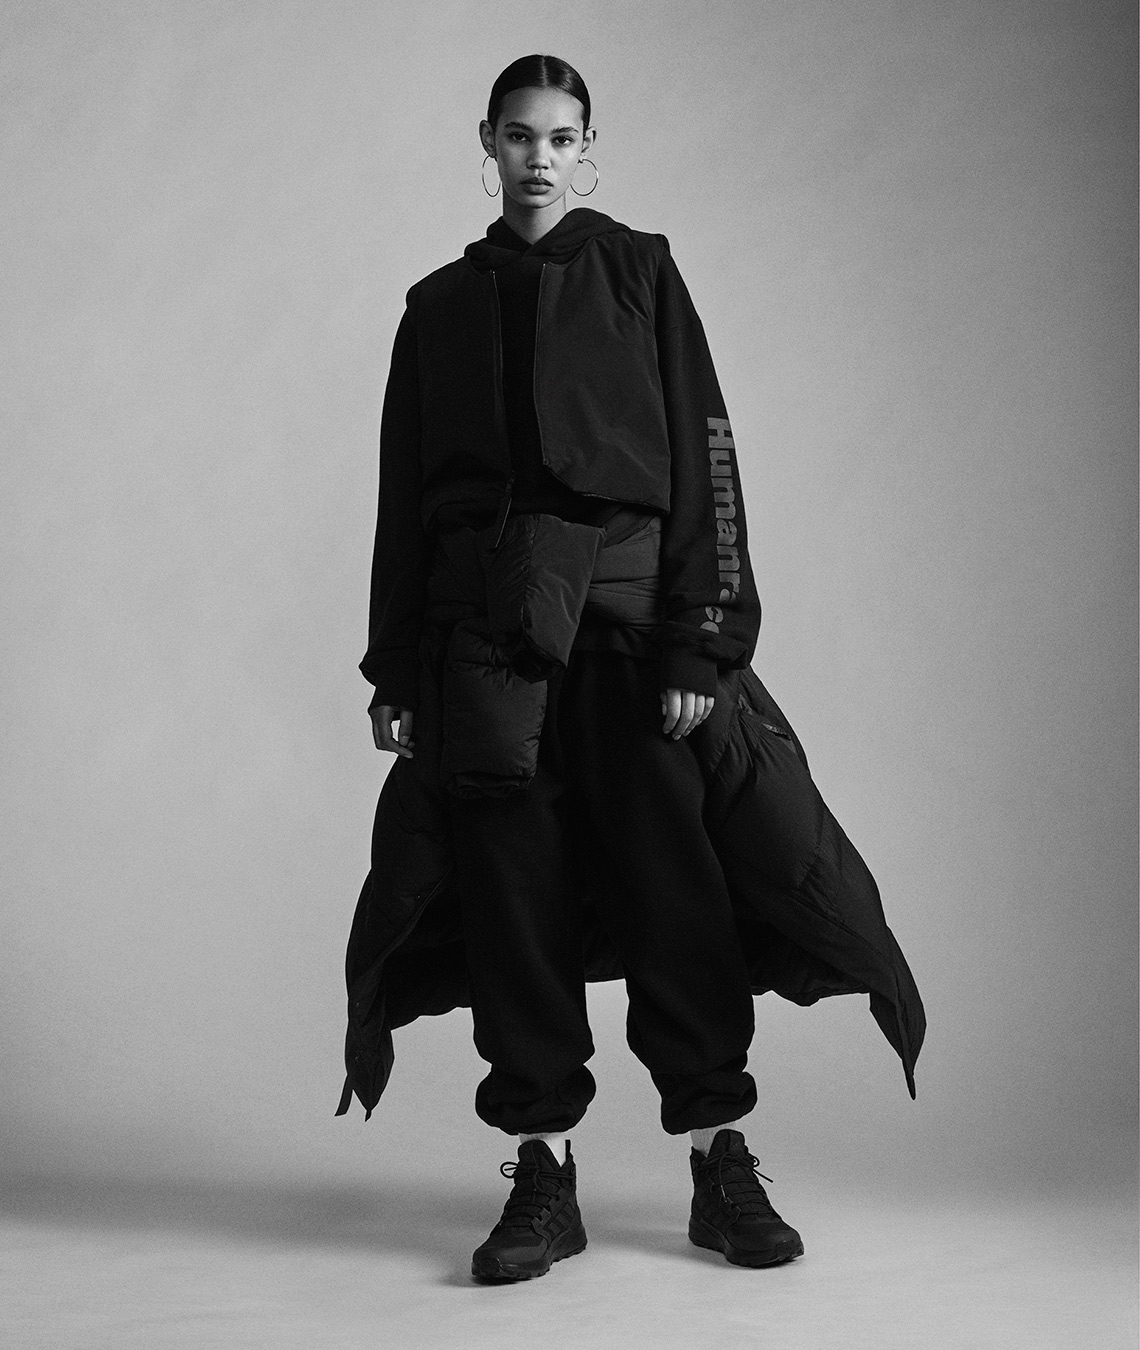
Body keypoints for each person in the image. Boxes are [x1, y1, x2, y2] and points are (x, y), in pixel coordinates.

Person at [346, 53, 925, 1283]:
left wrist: (701, 640)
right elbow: (405, 500)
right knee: (511, 904)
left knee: (678, 893)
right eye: (519, 136)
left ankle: (720, 1161)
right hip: (486, 651)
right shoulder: (436, 309)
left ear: (589, 150)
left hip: (627, 635)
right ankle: (542, 1174)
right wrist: (397, 667)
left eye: (562, 138)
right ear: (487, 144)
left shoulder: (640, 272)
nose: (539, 157)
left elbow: (708, 455)